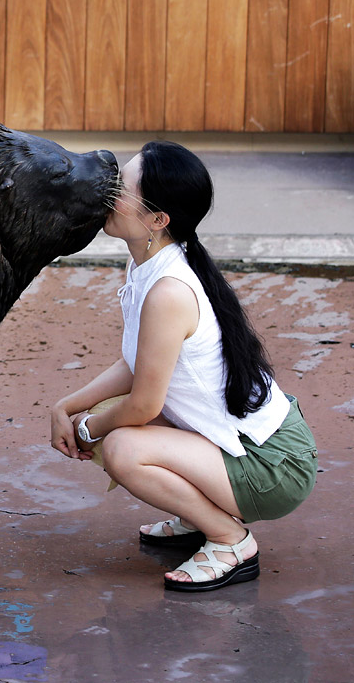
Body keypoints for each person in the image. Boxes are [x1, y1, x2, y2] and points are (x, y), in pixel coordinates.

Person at [49, 141, 318, 592]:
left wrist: (87, 429)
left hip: (273, 465)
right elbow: (138, 363)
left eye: (121, 187)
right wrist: (66, 404)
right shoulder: (153, 266)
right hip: (252, 444)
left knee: (123, 449)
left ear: (158, 220)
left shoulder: (168, 290)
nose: (107, 192)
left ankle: (230, 539)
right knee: (124, 423)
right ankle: (201, 516)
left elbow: (143, 404)